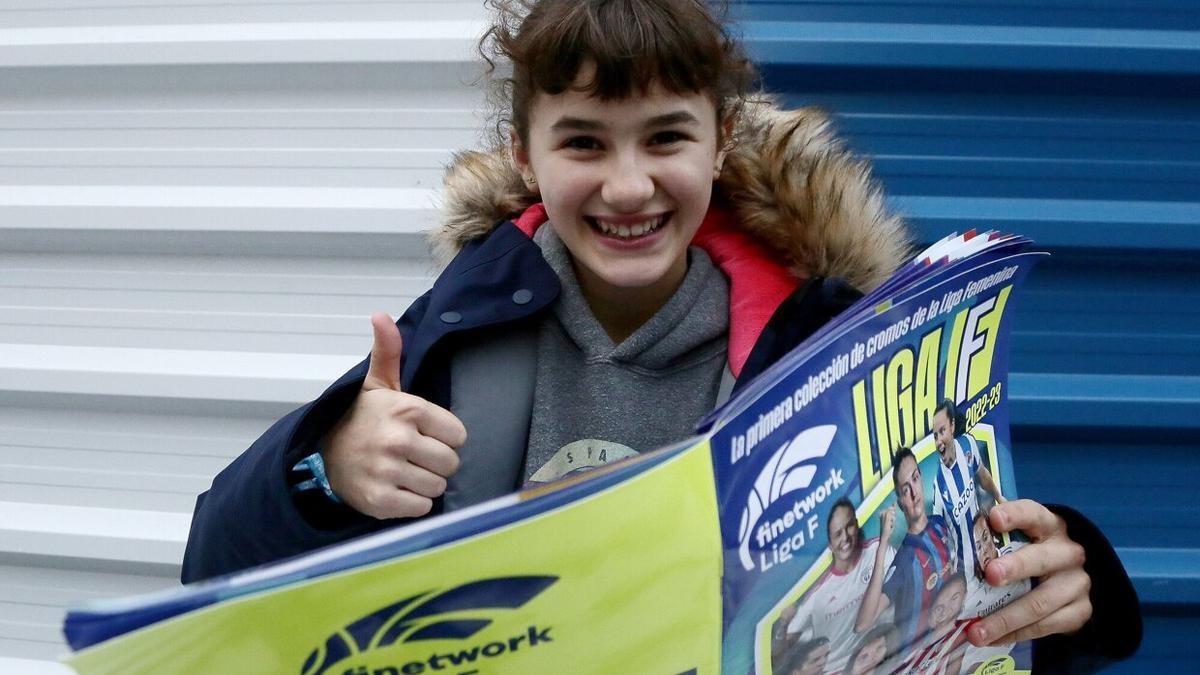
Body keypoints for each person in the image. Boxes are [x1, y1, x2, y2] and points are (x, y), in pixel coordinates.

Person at [181, 1, 1139, 671]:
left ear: (720, 143)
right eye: (585, 141)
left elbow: (962, 603)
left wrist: (1064, 583)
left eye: (665, 138)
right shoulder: (454, 331)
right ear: (526, 154)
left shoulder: (834, 344)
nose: (629, 185)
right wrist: (326, 466)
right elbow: (214, 564)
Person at [858, 448, 956, 649]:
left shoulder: (940, 523)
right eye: (904, 490)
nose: (913, 492)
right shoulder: (905, 559)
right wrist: (883, 542)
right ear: (900, 502)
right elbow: (863, 624)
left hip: (953, 640)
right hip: (921, 658)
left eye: (915, 478)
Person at [784, 498, 895, 673]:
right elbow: (787, 643)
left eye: (849, 526)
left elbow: (902, 582)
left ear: (857, 525)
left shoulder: (877, 549)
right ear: (829, 544)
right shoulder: (817, 594)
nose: (845, 537)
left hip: (882, 656)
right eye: (837, 534)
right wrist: (783, 627)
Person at [931, 399, 1004, 578]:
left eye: (942, 431)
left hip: (989, 551)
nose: (939, 441)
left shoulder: (968, 444)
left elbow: (983, 474)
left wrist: (999, 497)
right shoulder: (939, 485)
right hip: (967, 576)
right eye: (935, 435)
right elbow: (938, 533)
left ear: (953, 426)